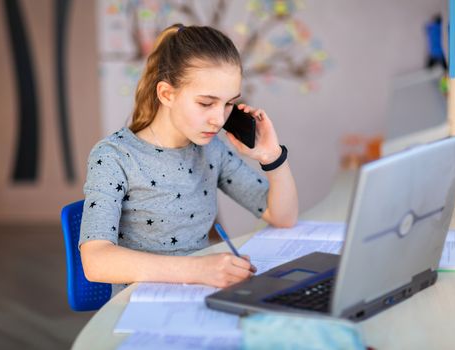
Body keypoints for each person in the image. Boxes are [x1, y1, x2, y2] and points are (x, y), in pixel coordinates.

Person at [79, 24, 298, 296]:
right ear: (166, 94)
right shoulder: (115, 156)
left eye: (228, 103)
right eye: (206, 103)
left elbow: (282, 216)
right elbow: (95, 261)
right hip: (142, 306)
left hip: (200, 296)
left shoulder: (212, 149)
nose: (219, 119)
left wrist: (272, 157)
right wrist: (198, 269)